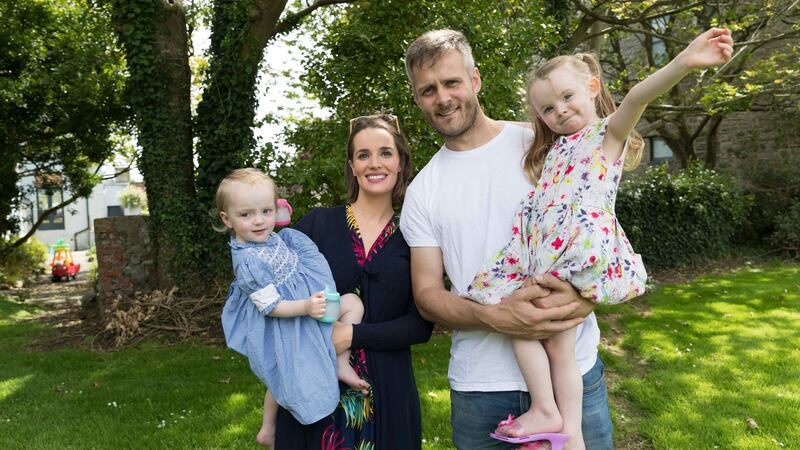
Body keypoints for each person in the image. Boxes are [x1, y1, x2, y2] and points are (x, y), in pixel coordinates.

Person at [463, 27, 734, 449]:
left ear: (592, 88)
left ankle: (559, 422)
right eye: (548, 109)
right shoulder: (556, 148)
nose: (560, 111)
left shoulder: (606, 136)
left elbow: (637, 97)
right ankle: (558, 422)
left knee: (551, 337)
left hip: (574, 250)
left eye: (568, 97)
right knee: (527, 327)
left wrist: (684, 60)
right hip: (539, 251)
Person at [400, 29, 604, 449]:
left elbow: (596, 226)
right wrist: (494, 316)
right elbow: (426, 294)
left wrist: (585, 297)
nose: (442, 98)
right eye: (428, 90)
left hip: (575, 370)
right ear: (418, 99)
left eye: (451, 82)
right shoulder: (423, 190)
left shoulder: (541, 145)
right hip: (482, 387)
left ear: (474, 80)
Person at [274, 114, 434, 449]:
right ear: (352, 166)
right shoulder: (318, 225)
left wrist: (352, 334)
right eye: (363, 155)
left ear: (401, 162)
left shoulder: (415, 235)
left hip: (388, 390)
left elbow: (420, 325)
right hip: (314, 386)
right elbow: (274, 296)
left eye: (385, 153)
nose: (375, 163)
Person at [217, 168, 369, 449]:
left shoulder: (271, 235)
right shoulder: (248, 262)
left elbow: (279, 219)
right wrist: (306, 306)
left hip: (305, 310)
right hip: (283, 321)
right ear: (227, 219)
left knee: (352, 303)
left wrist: (278, 213)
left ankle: (340, 362)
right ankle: (268, 428)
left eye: (265, 211)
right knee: (284, 373)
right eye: (246, 215)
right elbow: (270, 307)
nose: (259, 221)